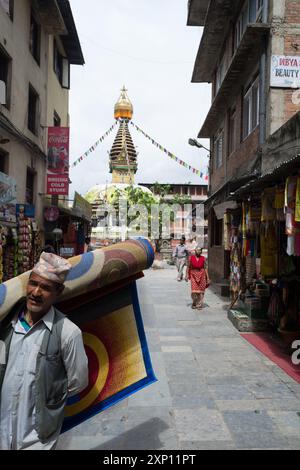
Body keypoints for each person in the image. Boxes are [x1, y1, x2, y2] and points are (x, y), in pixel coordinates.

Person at [0, 252, 89, 450]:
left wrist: (50, 398)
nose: (36, 292)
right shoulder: (7, 325)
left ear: (59, 292)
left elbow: (78, 382)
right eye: (33, 284)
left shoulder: (68, 333)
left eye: (46, 288)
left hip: (38, 440)